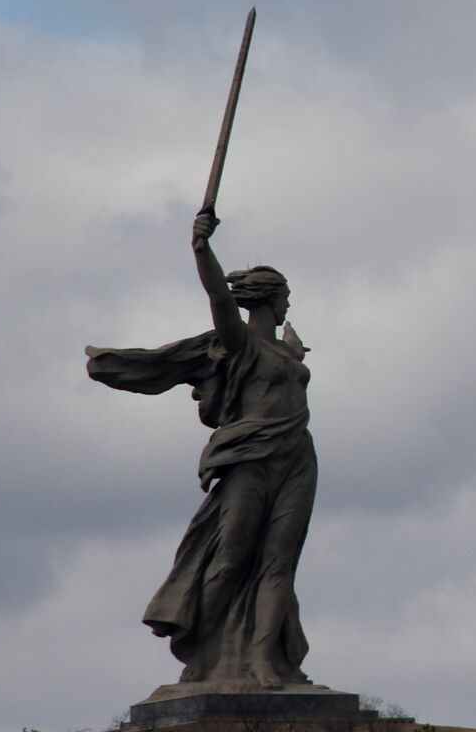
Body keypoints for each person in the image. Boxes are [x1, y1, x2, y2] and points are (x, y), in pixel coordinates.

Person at [85, 211, 316, 688]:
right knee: (230, 557)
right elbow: (217, 297)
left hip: (297, 458)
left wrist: (296, 349)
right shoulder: (240, 344)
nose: (290, 301)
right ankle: (204, 652)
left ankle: (262, 660)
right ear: (271, 298)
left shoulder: (286, 352)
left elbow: (291, 364)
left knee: (279, 564)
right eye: (286, 295)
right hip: (249, 459)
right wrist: (201, 248)